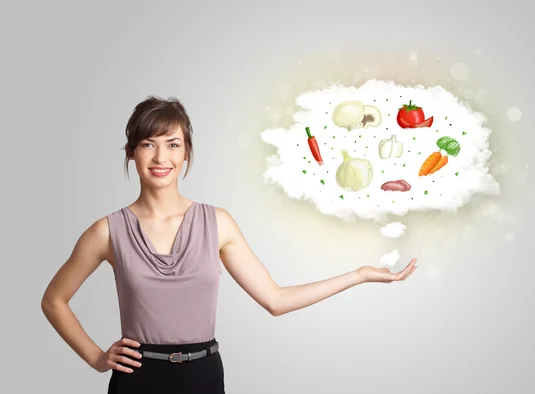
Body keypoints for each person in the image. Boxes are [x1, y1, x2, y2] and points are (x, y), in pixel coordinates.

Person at [41, 96, 418, 394]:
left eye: (172, 144)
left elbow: (276, 300)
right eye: (147, 144)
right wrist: (95, 358)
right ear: (131, 153)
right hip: (138, 380)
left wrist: (359, 275)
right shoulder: (107, 231)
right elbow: (54, 300)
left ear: (186, 153)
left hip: (203, 377)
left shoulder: (217, 222)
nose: (160, 157)